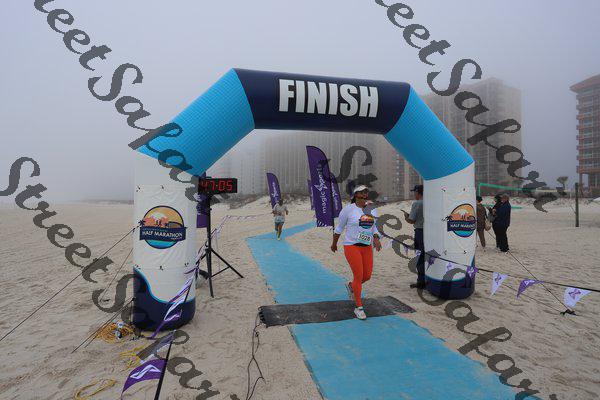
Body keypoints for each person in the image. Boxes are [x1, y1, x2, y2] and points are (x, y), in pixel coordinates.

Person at [331, 185, 382, 320]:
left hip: (366, 246)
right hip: (351, 246)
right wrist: (334, 243)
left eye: (366, 192)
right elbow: (339, 228)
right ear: (355, 195)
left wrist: (376, 238)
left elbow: (374, 227)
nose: (365, 194)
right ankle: (358, 307)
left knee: (367, 276)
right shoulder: (348, 210)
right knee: (358, 276)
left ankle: (351, 286)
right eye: (362, 192)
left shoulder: (372, 209)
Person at [403, 185, 425, 289]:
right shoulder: (431, 202)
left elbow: (411, 220)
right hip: (431, 233)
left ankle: (421, 282)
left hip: (420, 232)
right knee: (428, 256)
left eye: (414, 192)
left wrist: (406, 217)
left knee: (420, 256)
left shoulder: (417, 203)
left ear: (417, 192)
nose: (414, 194)